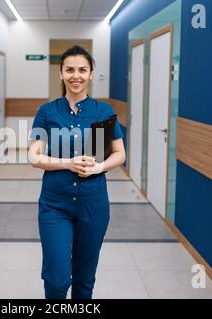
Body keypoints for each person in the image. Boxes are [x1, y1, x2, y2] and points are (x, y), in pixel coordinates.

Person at [28, 45, 126, 299]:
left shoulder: (103, 112)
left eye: (82, 70)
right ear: (60, 73)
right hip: (54, 205)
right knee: (57, 279)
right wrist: (67, 163)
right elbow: (33, 156)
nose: (76, 76)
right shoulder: (47, 111)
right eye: (69, 70)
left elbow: (120, 154)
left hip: (93, 205)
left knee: (84, 280)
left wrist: (99, 166)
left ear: (91, 73)